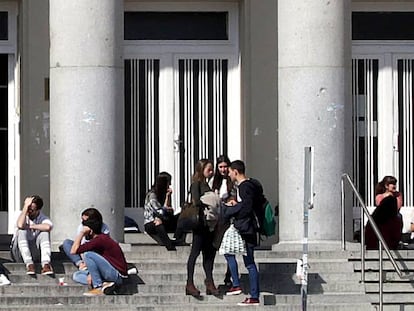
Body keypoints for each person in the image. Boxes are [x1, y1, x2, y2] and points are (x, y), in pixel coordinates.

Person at [223, 160, 262, 306]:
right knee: (237, 255)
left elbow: (247, 207)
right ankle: (242, 287)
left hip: (246, 228)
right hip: (249, 227)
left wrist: (234, 210)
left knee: (249, 263)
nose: (229, 175)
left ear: (235, 171)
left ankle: (253, 295)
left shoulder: (244, 187)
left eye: (230, 172)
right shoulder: (251, 185)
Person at [185, 159, 219, 297]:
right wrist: (208, 203)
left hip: (210, 224)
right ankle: (189, 283)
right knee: (195, 253)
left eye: (212, 169)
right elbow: (196, 201)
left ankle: (209, 281)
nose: (211, 172)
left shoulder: (208, 185)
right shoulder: (196, 184)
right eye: (208, 169)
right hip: (200, 224)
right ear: (201, 170)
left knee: (209, 254)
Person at [70, 217, 128, 296]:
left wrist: (81, 234)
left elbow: (73, 251)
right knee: (77, 275)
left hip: (117, 275)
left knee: (88, 254)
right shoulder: (100, 239)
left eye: (85, 231)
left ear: (90, 231)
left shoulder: (99, 240)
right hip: (108, 272)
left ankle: (98, 287)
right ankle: (105, 284)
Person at [210, 155, 234, 287]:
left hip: (228, 217)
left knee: (229, 248)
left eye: (225, 166)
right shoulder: (214, 181)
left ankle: (229, 275)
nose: (223, 169)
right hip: (217, 217)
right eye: (220, 167)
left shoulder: (232, 180)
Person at [13, 195, 54, 275]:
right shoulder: (20, 215)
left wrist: (30, 226)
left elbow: (48, 227)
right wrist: (25, 207)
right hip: (19, 253)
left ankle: (46, 264)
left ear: (38, 210)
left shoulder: (43, 218)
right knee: (22, 231)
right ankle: (29, 265)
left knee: (44, 232)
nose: (28, 211)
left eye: (31, 209)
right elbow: (20, 225)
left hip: (35, 252)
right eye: (27, 208)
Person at [365, 176, 403, 250]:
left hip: (394, 215)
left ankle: (396, 240)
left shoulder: (398, 195)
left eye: (395, 183)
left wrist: (393, 197)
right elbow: (381, 208)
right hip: (383, 217)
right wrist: (387, 197)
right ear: (386, 186)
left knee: (399, 216)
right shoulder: (380, 196)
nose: (394, 186)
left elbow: (397, 207)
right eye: (392, 183)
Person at [144, 172, 176, 251]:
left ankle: (178, 239)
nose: (169, 185)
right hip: (151, 222)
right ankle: (169, 245)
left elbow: (168, 209)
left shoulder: (163, 194)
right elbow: (159, 211)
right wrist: (166, 209)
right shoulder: (152, 195)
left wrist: (168, 196)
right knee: (158, 223)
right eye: (168, 183)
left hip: (162, 218)